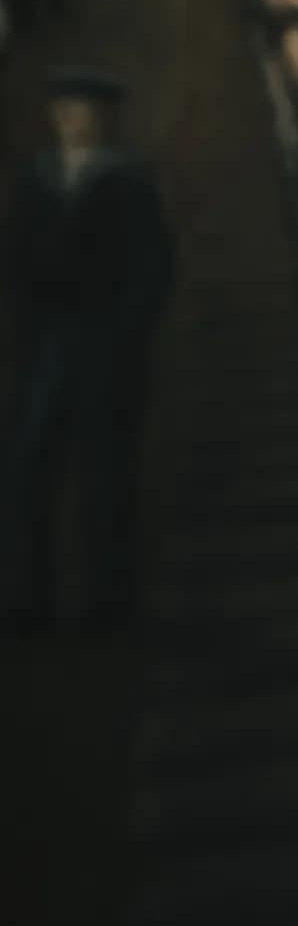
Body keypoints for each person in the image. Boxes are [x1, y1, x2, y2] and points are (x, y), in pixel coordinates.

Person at [3, 67, 176, 628]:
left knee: (107, 477)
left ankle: (109, 603)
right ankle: (31, 599)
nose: (81, 123)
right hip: (46, 348)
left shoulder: (129, 183)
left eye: (92, 114)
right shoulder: (36, 182)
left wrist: (123, 336)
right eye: (71, 112)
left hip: (104, 349)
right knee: (32, 474)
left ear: (108, 122)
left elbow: (152, 271)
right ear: (56, 119)